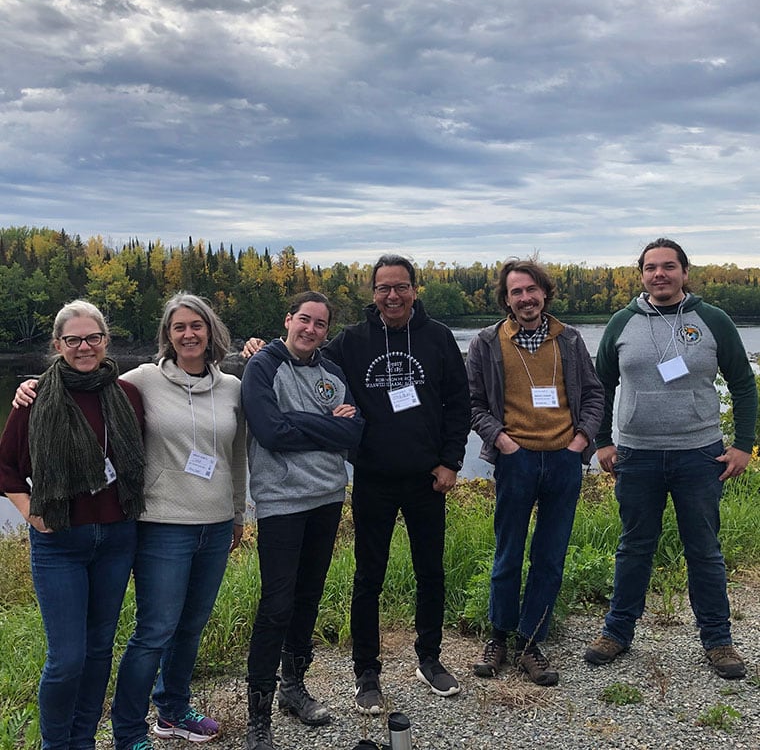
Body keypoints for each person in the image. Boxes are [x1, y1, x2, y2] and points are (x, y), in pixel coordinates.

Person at [13, 292, 248, 750]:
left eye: (196, 326)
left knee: (187, 627)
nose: (188, 334)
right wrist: (31, 385)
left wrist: (238, 512)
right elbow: (75, 382)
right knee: (151, 632)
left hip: (210, 523)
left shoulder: (231, 388)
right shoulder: (142, 380)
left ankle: (173, 710)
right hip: (158, 525)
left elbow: (237, 457)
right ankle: (127, 731)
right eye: (178, 327)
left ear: (210, 331)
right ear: (167, 335)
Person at [583, 239, 758, 679]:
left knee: (704, 550)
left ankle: (718, 641)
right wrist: (602, 441)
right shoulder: (622, 323)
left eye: (668, 267)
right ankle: (617, 633)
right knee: (634, 546)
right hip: (637, 455)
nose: (659, 274)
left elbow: (743, 382)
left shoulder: (712, 319)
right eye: (650, 268)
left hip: (699, 455)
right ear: (640, 274)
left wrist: (743, 444)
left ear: (684, 271)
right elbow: (599, 386)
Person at [321, 254, 470, 713]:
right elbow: (302, 358)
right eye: (384, 287)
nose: (392, 295)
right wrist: (260, 351)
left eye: (401, 286)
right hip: (373, 477)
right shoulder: (350, 342)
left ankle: (430, 659)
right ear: (373, 293)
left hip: (428, 479)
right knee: (369, 577)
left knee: (431, 572)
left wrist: (450, 463)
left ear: (415, 289)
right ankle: (366, 672)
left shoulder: (439, 338)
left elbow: (458, 404)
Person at [0, 300, 145, 750]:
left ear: (105, 339)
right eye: (73, 340)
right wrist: (29, 511)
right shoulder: (35, 397)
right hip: (59, 541)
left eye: (93, 337)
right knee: (67, 658)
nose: (84, 347)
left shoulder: (128, 394)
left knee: (100, 650)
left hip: (118, 538)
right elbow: (4, 467)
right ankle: (56, 744)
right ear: (57, 345)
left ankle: (83, 740)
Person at [466, 260, 604, 686]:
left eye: (531, 290)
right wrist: (502, 441)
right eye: (516, 292)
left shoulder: (571, 340)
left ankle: (531, 642)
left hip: (564, 459)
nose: (525, 298)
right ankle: (499, 637)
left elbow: (595, 394)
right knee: (508, 553)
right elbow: (473, 404)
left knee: (550, 556)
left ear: (544, 293)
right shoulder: (487, 343)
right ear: (506, 299)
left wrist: (581, 439)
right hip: (516, 459)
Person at [241, 292, 364, 750]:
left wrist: (303, 422)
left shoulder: (331, 371)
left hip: (328, 498)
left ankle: (294, 688)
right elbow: (270, 432)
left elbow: (354, 430)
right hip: (281, 503)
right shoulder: (263, 366)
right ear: (288, 320)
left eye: (320, 324)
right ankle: (258, 717)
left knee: (308, 595)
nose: (310, 329)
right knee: (276, 605)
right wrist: (324, 424)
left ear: (325, 332)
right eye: (304, 320)